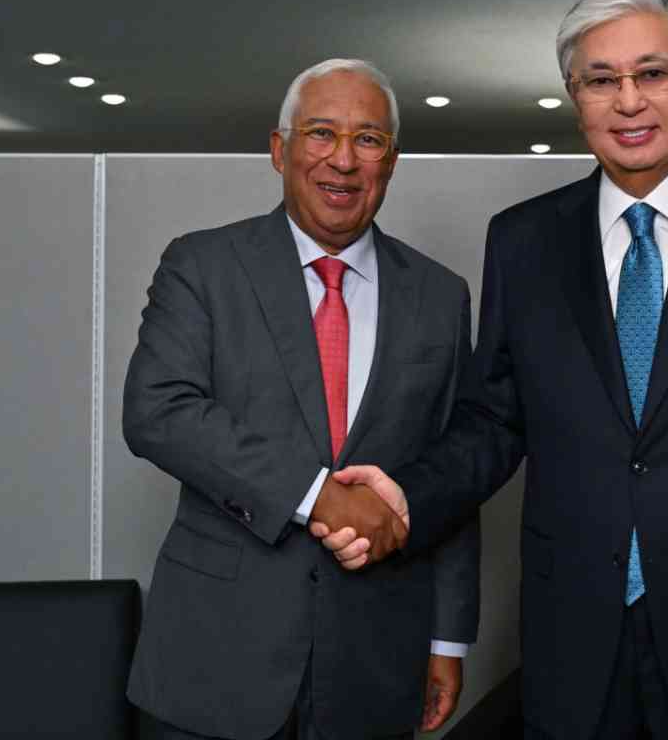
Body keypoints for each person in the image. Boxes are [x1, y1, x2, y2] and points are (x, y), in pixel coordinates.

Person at [320, 0, 668, 739]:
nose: (629, 101)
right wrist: (407, 495)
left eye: (652, 73)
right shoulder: (523, 240)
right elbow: (496, 419)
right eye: (601, 80)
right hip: (576, 636)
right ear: (574, 96)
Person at [122, 58, 479, 740]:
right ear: (279, 150)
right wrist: (317, 496)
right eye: (320, 133)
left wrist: (447, 638)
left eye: (368, 139)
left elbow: (455, 469)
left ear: (391, 161)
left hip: (377, 658)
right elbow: (157, 410)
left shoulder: (440, 295)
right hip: (215, 659)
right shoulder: (202, 266)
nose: (343, 160)